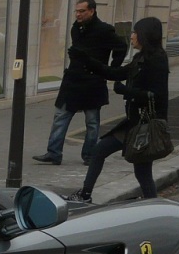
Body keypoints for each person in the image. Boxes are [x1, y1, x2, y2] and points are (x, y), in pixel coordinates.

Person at [66, 16, 169, 204]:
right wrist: (86, 60)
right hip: (133, 122)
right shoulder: (141, 57)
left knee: (142, 171)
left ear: (145, 35)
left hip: (144, 125)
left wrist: (126, 91)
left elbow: (156, 95)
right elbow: (117, 73)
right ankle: (85, 194)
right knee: (99, 151)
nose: (131, 37)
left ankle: (153, 205)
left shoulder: (157, 61)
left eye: (135, 32)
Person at [32, 0, 128, 166]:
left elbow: (121, 47)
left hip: (92, 81)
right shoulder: (76, 28)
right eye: (76, 11)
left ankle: (89, 155)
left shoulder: (104, 30)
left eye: (82, 11)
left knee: (92, 121)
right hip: (73, 79)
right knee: (60, 116)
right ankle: (53, 153)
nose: (78, 14)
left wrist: (110, 69)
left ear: (92, 11)